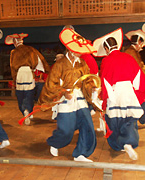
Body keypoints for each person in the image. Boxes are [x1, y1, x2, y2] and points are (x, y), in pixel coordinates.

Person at [38, 28, 99, 162]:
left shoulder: (82, 63)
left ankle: (81, 153)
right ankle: (55, 142)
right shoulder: (59, 65)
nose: (79, 55)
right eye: (77, 52)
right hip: (65, 100)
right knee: (66, 130)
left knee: (88, 125)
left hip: (80, 99)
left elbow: (87, 81)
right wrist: (63, 92)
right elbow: (50, 85)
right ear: (70, 50)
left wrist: (92, 88)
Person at [93, 28, 145, 160]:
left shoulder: (106, 60)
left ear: (106, 48)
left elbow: (105, 81)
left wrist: (104, 99)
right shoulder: (128, 56)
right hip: (129, 90)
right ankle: (129, 142)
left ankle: (119, 145)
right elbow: (139, 76)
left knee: (114, 120)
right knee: (129, 119)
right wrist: (137, 94)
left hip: (115, 92)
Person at [5, 33, 50, 125]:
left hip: (19, 75)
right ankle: (29, 110)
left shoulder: (13, 52)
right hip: (29, 72)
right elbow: (41, 61)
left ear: (15, 42)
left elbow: (12, 67)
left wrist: (14, 79)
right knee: (29, 93)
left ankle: (24, 110)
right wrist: (46, 70)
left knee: (20, 94)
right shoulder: (31, 49)